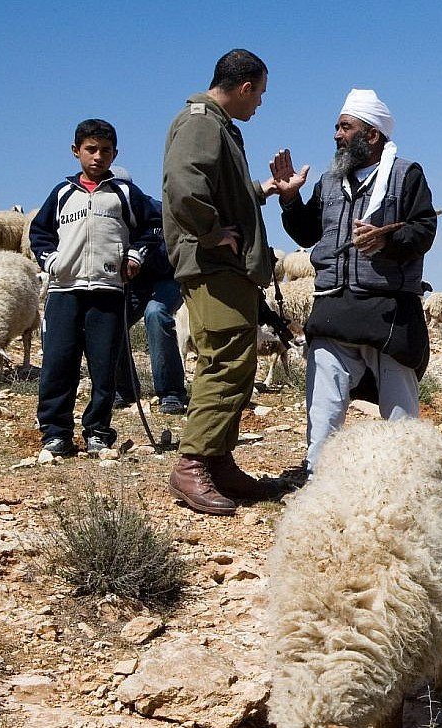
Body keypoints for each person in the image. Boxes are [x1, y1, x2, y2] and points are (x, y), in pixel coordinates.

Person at [270, 88, 438, 472]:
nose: (336, 135)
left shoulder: (406, 175)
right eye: (336, 127)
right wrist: (290, 199)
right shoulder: (329, 181)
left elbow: (424, 230)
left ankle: (405, 489)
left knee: (401, 423)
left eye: (344, 127)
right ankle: (319, 486)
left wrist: (388, 238)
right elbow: (307, 233)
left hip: (389, 314)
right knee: (323, 414)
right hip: (334, 311)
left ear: (372, 135)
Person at [161, 48, 281, 515]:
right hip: (211, 264)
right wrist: (210, 232)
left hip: (223, 267)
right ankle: (192, 465)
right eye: (260, 95)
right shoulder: (201, 122)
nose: (259, 106)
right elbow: (182, 185)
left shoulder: (217, 126)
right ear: (245, 87)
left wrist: (264, 191)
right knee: (225, 359)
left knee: (236, 358)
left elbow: (219, 190)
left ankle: (218, 459)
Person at [30, 119, 160, 458]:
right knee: (58, 363)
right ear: (76, 152)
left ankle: (99, 432)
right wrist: (52, 262)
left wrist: (135, 255)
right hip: (64, 291)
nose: (97, 156)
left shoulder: (125, 194)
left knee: (104, 366)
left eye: (105, 151)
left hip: (108, 290)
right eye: (90, 149)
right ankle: (55, 433)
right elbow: (39, 233)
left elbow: (152, 226)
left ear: (115, 153)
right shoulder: (61, 194)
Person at [112, 195, 189, 415]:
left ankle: (171, 392)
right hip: (135, 281)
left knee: (156, 313)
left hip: (168, 276)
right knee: (111, 319)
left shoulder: (151, 209)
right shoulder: (102, 213)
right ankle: (124, 388)